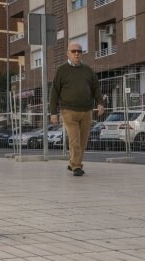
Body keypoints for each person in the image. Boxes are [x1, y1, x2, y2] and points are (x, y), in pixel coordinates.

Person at [49, 42, 104, 176]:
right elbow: (54, 92)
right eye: (73, 51)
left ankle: (73, 162)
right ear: (68, 53)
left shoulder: (88, 70)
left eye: (79, 51)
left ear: (82, 53)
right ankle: (76, 166)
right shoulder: (61, 70)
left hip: (86, 111)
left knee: (83, 140)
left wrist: (100, 103)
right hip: (68, 111)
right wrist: (53, 113)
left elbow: (96, 88)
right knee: (74, 139)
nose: (76, 53)